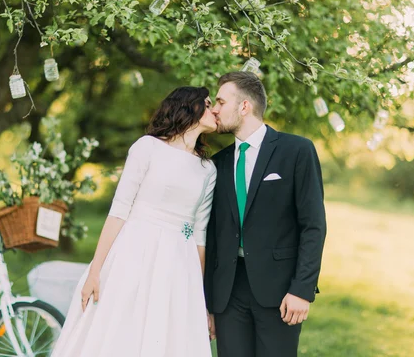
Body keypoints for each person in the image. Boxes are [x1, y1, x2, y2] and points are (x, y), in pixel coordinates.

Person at [50, 86, 217, 357]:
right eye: (208, 104)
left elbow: (200, 234)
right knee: (122, 330)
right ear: (190, 107)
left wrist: (199, 294)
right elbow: (119, 211)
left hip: (178, 262)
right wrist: (95, 271)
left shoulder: (207, 169)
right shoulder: (147, 147)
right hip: (135, 252)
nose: (215, 110)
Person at [204, 71, 327, 357]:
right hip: (228, 294)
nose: (214, 110)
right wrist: (209, 303)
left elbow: (313, 226)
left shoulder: (297, 151)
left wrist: (302, 290)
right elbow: (213, 234)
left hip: (280, 292)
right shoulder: (217, 164)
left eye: (221, 102)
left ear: (244, 106)